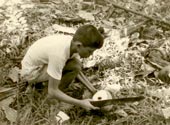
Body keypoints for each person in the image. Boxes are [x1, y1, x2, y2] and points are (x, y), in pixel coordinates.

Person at [20, 24, 104, 110]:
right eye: (90, 51)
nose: (91, 55)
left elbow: (76, 69)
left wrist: (94, 91)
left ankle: (54, 91)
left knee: (76, 64)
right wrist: (81, 103)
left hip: (40, 65)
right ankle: (47, 97)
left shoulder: (73, 44)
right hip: (30, 73)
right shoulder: (59, 55)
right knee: (53, 89)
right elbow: (52, 91)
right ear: (79, 45)